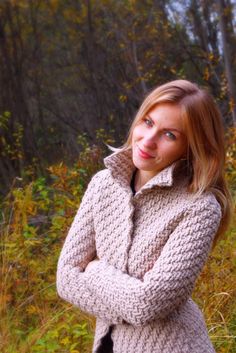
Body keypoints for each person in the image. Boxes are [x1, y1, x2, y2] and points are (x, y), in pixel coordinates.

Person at [56, 79, 232, 353]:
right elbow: (65, 278)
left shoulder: (199, 207)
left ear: (191, 147)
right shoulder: (103, 184)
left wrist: (93, 270)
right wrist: (130, 296)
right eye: (148, 123)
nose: (148, 141)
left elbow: (147, 304)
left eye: (169, 135)